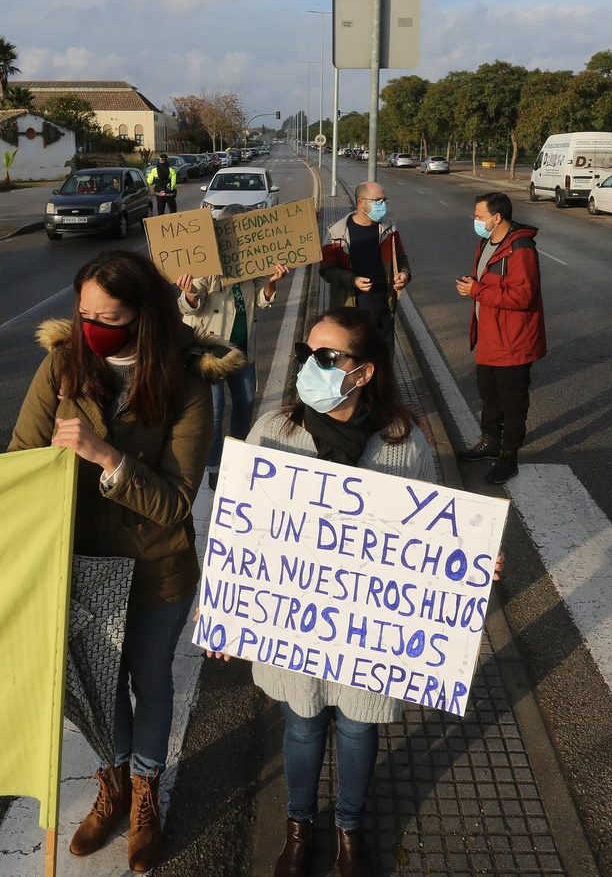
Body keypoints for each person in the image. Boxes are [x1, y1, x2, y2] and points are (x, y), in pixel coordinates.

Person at [8, 249, 242, 873]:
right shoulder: (61, 364)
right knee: (96, 683)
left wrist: (107, 457)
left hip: (154, 569)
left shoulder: (186, 379)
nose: (91, 329)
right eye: (83, 314)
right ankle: (112, 782)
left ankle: (144, 793)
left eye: (108, 318)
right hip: (80, 564)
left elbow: (177, 500)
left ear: (143, 314)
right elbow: (19, 456)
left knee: (150, 681)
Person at [211, 306, 435, 877]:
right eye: (306, 354)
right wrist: (225, 611)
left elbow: (432, 536)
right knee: (303, 722)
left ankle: (350, 828)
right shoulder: (274, 432)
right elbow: (240, 529)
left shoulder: (402, 443)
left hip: (367, 626)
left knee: (358, 726)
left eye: (327, 357)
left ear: (364, 371)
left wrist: (469, 565)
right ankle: (299, 825)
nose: (310, 365)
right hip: (295, 622)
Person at [176, 213, 291, 488]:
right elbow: (190, 307)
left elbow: (262, 301)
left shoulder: (252, 262)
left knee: (246, 402)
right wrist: (190, 292)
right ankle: (215, 466)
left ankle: (238, 458)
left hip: (242, 350)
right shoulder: (204, 262)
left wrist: (272, 282)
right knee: (215, 412)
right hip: (211, 353)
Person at [454, 191, 545, 485]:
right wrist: (474, 286)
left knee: (512, 402)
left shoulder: (520, 249)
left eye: (479, 216)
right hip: (488, 336)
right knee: (489, 395)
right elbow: (489, 284)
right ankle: (490, 442)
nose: (475, 221)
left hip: (513, 341)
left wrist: (477, 291)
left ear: (496, 217)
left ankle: (509, 456)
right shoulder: (486, 242)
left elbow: (523, 296)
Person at [319, 181, 411, 352]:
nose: (383, 205)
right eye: (378, 201)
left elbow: (401, 258)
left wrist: (404, 274)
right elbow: (326, 270)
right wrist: (353, 280)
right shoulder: (336, 233)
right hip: (351, 318)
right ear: (361, 202)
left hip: (384, 314)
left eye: (385, 200)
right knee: (355, 364)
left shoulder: (389, 229)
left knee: (383, 364)